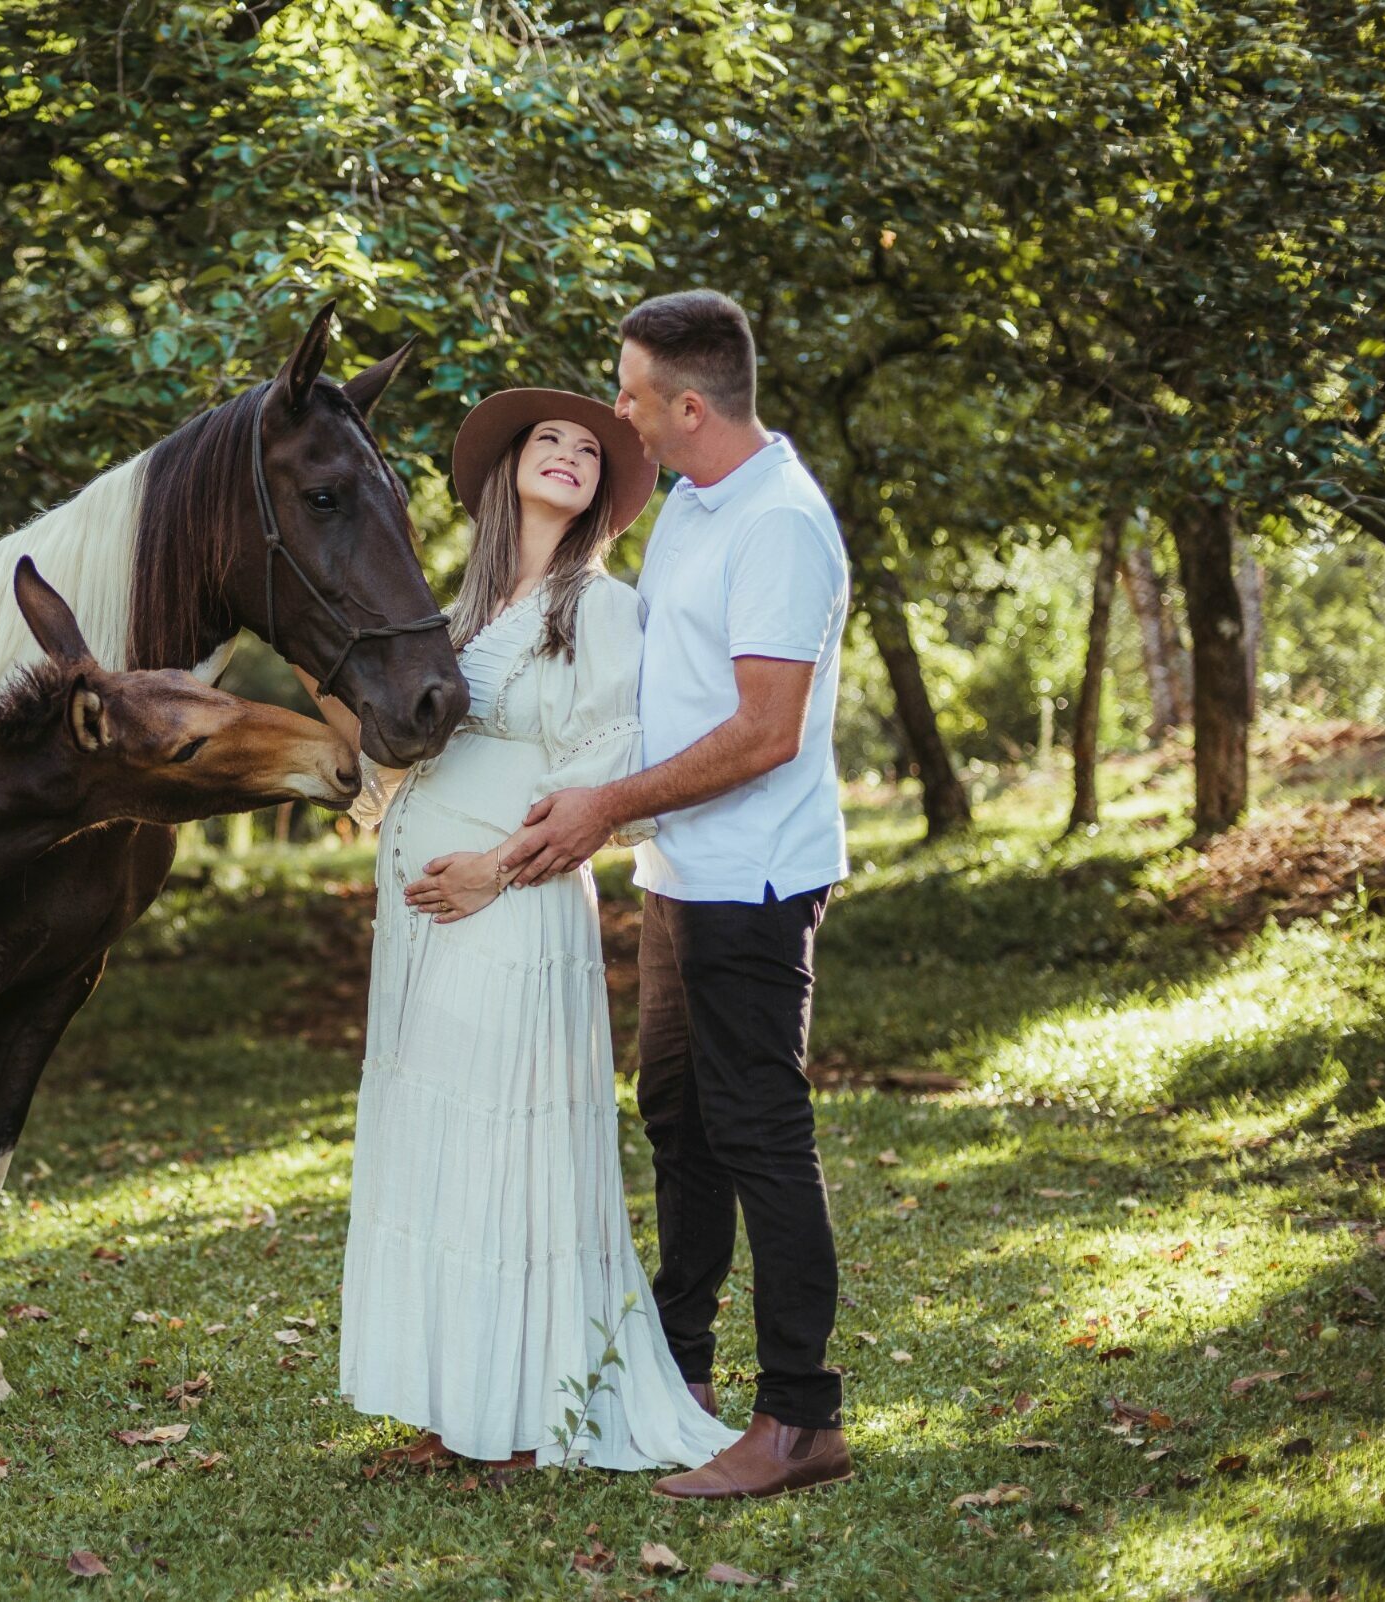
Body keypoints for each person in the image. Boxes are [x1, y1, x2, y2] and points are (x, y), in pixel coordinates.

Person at [329, 385, 741, 1474]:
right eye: (548, 440)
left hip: (513, 902)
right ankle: (451, 1405)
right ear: (509, 467)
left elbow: (613, 767)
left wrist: (495, 871)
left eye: (588, 450)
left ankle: (521, 1417)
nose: (568, 454)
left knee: (509, 1145)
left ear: (604, 489)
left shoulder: (601, 608)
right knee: (441, 1147)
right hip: (422, 916)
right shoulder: (451, 614)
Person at [502, 290, 854, 1499]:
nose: (615, 409)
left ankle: (801, 1419)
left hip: (752, 879)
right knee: (681, 1124)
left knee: (760, 1133)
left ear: (687, 406)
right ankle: (682, 1373)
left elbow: (764, 732)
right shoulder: (698, 507)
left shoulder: (781, 526)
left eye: (631, 393)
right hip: (679, 871)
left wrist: (603, 806)